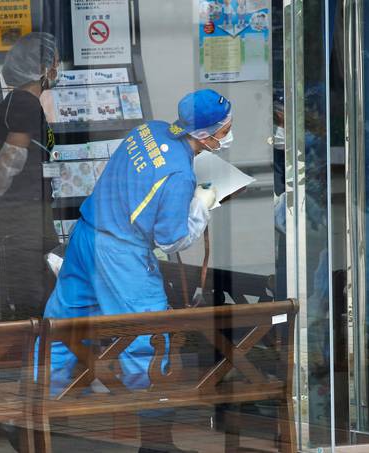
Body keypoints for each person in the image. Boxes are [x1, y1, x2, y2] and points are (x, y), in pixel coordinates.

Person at [42, 88, 233, 453]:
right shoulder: (179, 174)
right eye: (224, 130)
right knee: (149, 339)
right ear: (205, 135)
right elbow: (172, 238)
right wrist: (203, 205)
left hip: (87, 234)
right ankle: (156, 441)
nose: (226, 136)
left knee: (63, 326)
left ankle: (33, 412)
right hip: (122, 254)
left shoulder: (150, 129)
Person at [0, 32, 60, 318]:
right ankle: (29, 354)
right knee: (30, 292)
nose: (57, 69)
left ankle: (37, 351)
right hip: (23, 214)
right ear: (41, 68)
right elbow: (9, 159)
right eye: (54, 63)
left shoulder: (15, 102)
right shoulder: (25, 104)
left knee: (43, 281)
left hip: (31, 210)